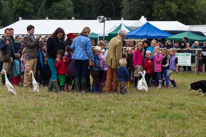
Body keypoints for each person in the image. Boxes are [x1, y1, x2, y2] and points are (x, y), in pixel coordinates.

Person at [71, 26, 94, 93]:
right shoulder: (87, 39)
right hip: (84, 58)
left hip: (76, 58)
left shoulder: (76, 38)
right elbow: (89, 51)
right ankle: (83, 89)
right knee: (84, 73)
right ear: (87, 32)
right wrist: (92, 60)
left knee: (77, 73)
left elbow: (72, 47)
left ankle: (76, 89)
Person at [105, 29, 127, 93]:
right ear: (124, 35)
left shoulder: (112, 39)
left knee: (109, 77)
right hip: (115, 62)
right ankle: (115, 90)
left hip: (109, 60)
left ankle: (108, 90)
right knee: (115, 77)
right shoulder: (119, 42)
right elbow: (118, 54)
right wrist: (120, 63)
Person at [47, 27, 65, 92]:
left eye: (61, 35)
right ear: (56, 34)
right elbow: (49, 50)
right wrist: (55, 57)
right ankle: (56, 89)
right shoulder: (51, 39)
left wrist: (62, 56)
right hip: (51, 58)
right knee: (54, 72)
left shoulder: (61, 41)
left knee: (54, 73)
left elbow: (62, 48)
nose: (60, 37)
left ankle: (50, 89)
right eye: (59, 35)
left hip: (58, 58)